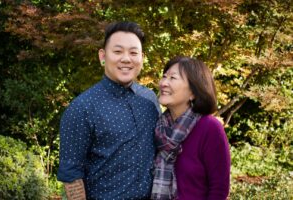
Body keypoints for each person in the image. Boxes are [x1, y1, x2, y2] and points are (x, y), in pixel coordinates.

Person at [57, 21, 161, 200]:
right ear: (102, 56)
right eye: (118, 51)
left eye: (133, 52)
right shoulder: (82, 108)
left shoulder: (150, 101)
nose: (126, 59)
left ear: (142, 58)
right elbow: (71, 173)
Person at [151, 56, 231, 200]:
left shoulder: (210, 128)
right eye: (164, 77)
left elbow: (219, 189)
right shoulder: (159, 127)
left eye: (172, 78)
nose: (163, 83)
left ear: (193, 92)